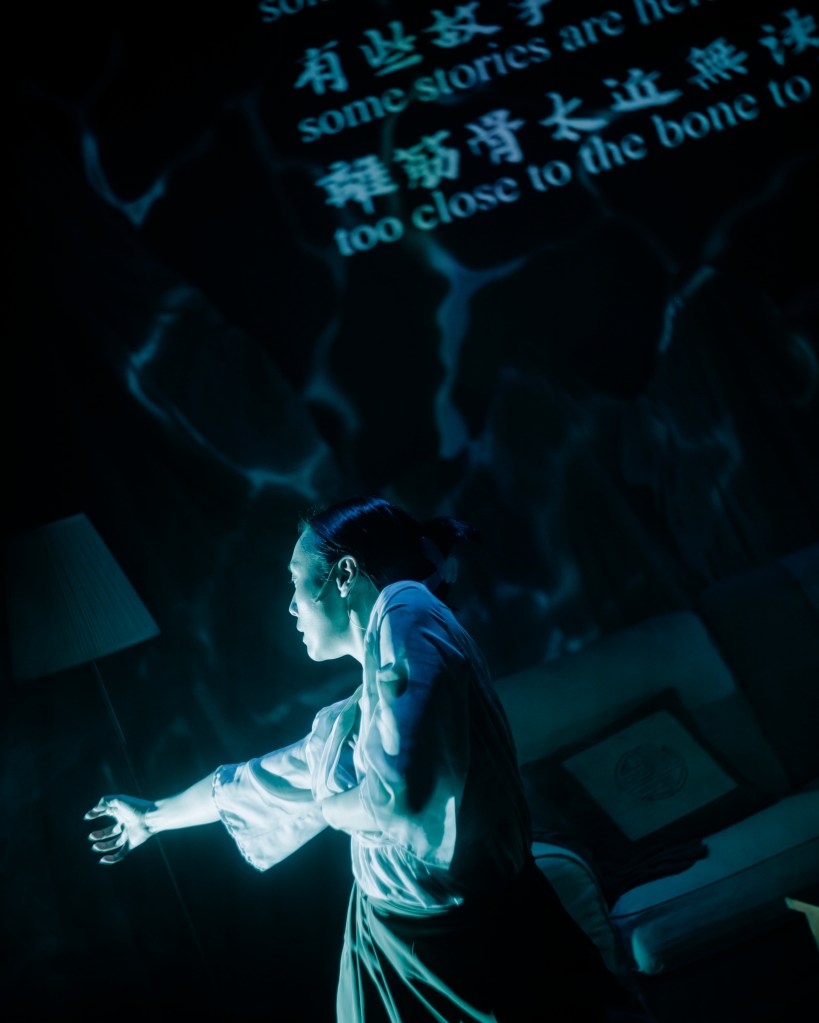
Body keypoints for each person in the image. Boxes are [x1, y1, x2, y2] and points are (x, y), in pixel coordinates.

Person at [85, 496, 647, 1022]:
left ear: (345, 574)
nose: (291, 604)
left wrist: (332, 808)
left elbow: (400, 797)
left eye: (296, 580)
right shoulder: (350, 719)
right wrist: (151, 818)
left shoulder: (406, 608)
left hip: (470, 947)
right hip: (392, 944)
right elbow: (259, 782)